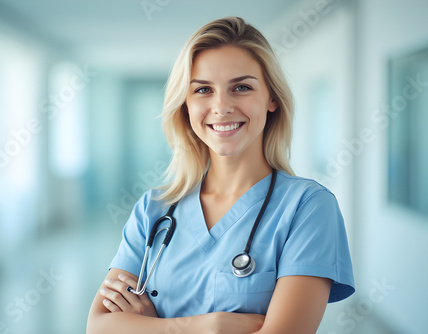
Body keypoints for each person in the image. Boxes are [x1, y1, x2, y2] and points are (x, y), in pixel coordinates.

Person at [86, 17, 355, 334]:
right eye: (202, 89)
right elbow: (100, 326)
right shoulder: (154, 208)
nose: (221, 106)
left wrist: (152, 325)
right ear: (185, 105)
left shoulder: (308, 208)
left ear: (271, 99)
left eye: (241, 87)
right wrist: (205, 326)